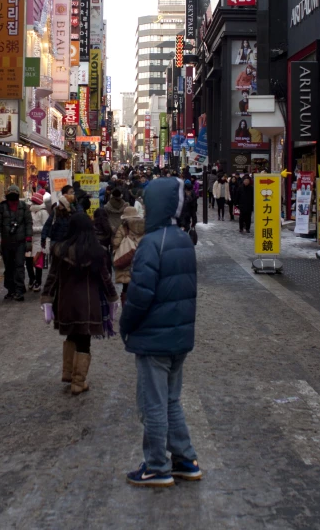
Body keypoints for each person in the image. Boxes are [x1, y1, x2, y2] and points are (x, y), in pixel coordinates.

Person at [120, 178, 200, 487]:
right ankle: (184, 459)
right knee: (170, 401)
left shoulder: (152, 244)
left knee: (154, 404)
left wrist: (126, 326)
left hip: (154, 338)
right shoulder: (182, 239)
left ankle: (156, 465)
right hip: (179, 336)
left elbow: (140, 295)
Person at [41, 214, 119, 394]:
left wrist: (46, 299)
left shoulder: (60, 250)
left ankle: (68, 373)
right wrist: (113, 298)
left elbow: (52, 277)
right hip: (88, 305)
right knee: (84, 340)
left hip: (65, 303)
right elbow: (105, 279)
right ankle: (78, 382)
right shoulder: (97, 251)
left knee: (71, 336)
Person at [0, 184, 32, 301]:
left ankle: (19, 290)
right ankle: (10, 289)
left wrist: (28, 240)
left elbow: (28, 224)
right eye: (11, 192)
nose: (13, 194)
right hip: (6, 242)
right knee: (8, 267)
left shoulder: (24, 207)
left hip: (20, 242)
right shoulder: (1, 207)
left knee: (19, 266)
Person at [113, 206, 145, 306]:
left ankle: (126, 306)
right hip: (140, 258)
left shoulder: (123, 227)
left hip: (126, 259)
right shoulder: (144, 226)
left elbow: (116, 242)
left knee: (126, 286)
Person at [26, 191, 49, 292]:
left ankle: (38, 281)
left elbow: (45, 227)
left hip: (39, 240)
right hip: (29, 240)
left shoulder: (43, 212)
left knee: (38, 262)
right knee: (28, 261)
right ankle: (32, 278)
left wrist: (33, 229)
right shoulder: (29, 212)